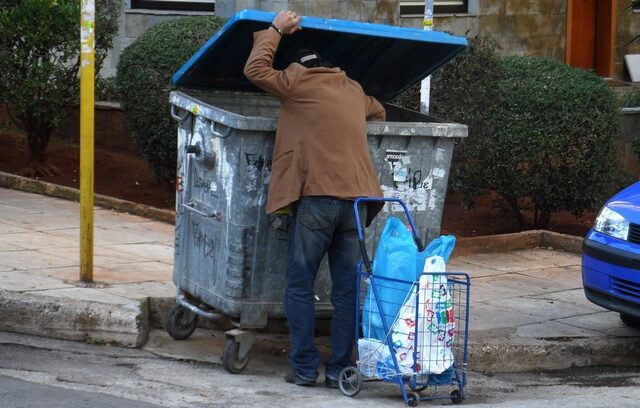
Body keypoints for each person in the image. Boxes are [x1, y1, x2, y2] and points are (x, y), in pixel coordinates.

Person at [244, 10, 386, 388]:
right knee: (346, 289)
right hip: (358, 204)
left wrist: (275, 29)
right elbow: (380, 109)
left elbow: (255, 70)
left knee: (300, 283)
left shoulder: (295, 80)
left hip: (320, 200)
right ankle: (340, 369)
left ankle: (305, 367)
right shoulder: (353, 89)